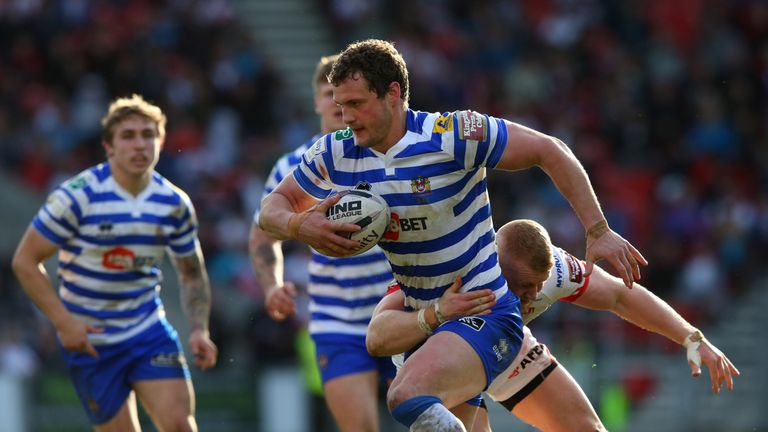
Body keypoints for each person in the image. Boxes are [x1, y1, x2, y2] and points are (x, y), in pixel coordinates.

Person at [258, 39, 646, 431]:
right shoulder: (338, 152)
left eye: (356, 104)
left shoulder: (452, 135)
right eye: (340, 106)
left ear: (393, 93)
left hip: (484, 312)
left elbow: (550, 150)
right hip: (426, 327)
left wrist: (597, 230)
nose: (346, 117)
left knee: (405, 396)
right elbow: (270, 210)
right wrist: (298, 224)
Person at [368, 219, 740, 432]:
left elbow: (620, 296)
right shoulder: (451, 267)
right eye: (522, 286)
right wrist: (433, 314)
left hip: (509, 346)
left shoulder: (555, 270)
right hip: (447, 359)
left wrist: (692, 337)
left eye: (537, 285)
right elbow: (378, 334)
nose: (531, 296)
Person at [12, 94, 218, 432]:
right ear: (109, 146)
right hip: (92, 339)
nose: (140, 145)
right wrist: (64, 323)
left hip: (147, 329)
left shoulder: (173, 204)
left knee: (180, 425)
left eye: (148, 135)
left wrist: (199, 329)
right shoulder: (77, 196)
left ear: (161, 142)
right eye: (128, 136)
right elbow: (25, 261)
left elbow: (191, 272)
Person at [248, 54, 396, 432]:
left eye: (347, 95)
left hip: (400, 308)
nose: (337, 104)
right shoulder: (292, 166)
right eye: (329, 94)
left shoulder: (388, 155)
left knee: (425, 417)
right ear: (315, 101)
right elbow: (263, 231)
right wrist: (271, 285)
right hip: (337, 320)